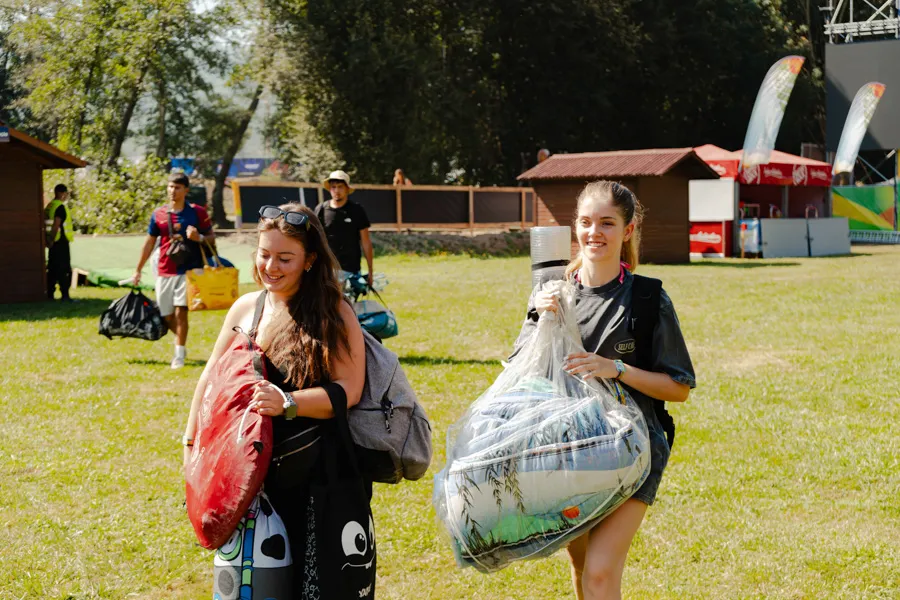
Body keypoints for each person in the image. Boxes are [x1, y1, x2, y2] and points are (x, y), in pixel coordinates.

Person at [517, 181, 695, 600]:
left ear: (628, 230)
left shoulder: (648, 299)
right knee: (582, 567)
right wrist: (540, 318)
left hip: (633, 452)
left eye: (607, 223)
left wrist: (615, 369)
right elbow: (522, 373)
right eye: (585, 222)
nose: (594, 232)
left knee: (599, 573)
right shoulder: (552, 294)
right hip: (568, 449)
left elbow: (678, 388)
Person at [182, 203, 367, 592]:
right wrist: (191, 443)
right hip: (249, 477)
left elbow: (349, 389)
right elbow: (211, 378)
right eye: (264, 254)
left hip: (317, 481)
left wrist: (289, 403)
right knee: (254, 584)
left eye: (285, 258)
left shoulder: (334, 312)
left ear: (310, 260)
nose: (271, 267)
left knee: (318, 585)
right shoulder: (246, 308)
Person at [131, 172, 214, 369]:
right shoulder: (158, 214)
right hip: (164, 269)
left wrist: (199, 238)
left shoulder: (197, 212)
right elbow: (149, 243)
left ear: (186, 190)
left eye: (177, 187)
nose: (172, 191)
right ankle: (181, 341)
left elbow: (212, 238)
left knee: (180, 311)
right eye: (170, 187)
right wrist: (138, 269)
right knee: (166, 315)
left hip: (190, 271)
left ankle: (179, 355)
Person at [316, 170, 375, 287]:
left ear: (347, 189)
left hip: (351, 271)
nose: (336, 190)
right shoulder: (321, 209)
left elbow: (366, 241)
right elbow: (314, 239)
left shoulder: (357, 210)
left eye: (340, 187)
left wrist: (370, 271)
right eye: (333, 187)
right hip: (328, 269)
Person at [45, 184, 74, 301]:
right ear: (61, 193)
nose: (66, 196)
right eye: (66, 193)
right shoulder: (60, 207)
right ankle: (65, 295)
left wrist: (48, 240)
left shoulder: (50, 206)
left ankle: (50, 294)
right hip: (59, 242)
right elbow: (56, 225)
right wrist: (52, 239)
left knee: (52, 269)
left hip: (52, 242)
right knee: (63, 269)